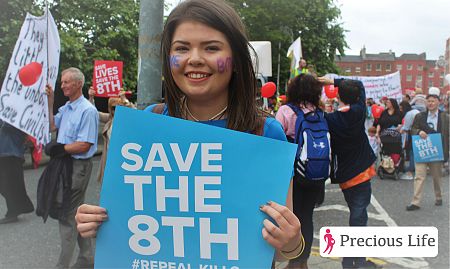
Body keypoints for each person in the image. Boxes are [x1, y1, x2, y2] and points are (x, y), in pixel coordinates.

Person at [75, 0, 304, 263]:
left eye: (211, 48)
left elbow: (279, 249)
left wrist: (291, 241)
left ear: (237, 60)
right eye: (182, 48)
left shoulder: (265, 132)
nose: (194, 59)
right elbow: (128, 217)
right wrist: (95, 221)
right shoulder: (150, 121)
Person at [318, 76, 379, 269]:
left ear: (338, 95)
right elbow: (360, 85)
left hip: (345, 174)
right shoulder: (360, 111)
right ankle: (356, 262)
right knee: (359, 217)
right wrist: (333, 80)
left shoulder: (331, 119)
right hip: (361, 171)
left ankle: (352, 260)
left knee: (357, 215)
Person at [46, 67, 99, 269]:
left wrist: (59, 148)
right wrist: (50, 100)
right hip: (65, 165)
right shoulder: (67, 107)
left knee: (67, 215)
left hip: (78, 167)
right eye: (62, 82)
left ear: (78, 84)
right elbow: (52, 126)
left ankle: (63, 265)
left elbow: (84, 144)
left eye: (66, 82)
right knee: (74, 213)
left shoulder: (87, 110)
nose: (62, 86)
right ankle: (87, 258)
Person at [275, 74, 326, 269]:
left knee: (292, 218)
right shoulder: (318, 112)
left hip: (293, 174)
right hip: (314, 172)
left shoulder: (286, 111)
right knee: (307, 216)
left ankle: (293, 262)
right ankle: (302, 262)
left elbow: (276, 142)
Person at [406, 87, 449, 211]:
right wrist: (419, 132)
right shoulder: (420, 116)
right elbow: (413, 129)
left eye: (433, 101)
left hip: (437, 151)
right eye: (428, 101)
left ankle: (438, 196)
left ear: (438, 102)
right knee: (419, 176)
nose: (430, 103)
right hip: (422, 150)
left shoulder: (445, 117)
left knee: (437, 177)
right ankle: (415, 202)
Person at [88, 87, 135, 183]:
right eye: (113, 107)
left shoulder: (129, 120)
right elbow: (93, 113)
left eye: (119, 107)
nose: (116, 110)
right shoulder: (109, 119)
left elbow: (136, 114)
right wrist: (91, 98)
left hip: (126, 159)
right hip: (110, 158)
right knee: (110, 185)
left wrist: (124, 99)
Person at [0, 120, 34, 224]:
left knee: (10, 183)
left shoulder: (13, 114)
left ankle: (14, 211)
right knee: (8, 183)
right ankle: (19, 206)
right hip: (6, 150)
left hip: (11, 151)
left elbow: (17, 126)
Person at [399, 101, 419, 180]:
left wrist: (400, 130)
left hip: (413, 133)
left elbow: (406, 128)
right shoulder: (415, 110)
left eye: (401, 108)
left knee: (411, 150)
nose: (400, 110)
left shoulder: (408, 114)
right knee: (416, 150)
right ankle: (415, 166)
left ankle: (411, 167)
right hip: (419, 132)